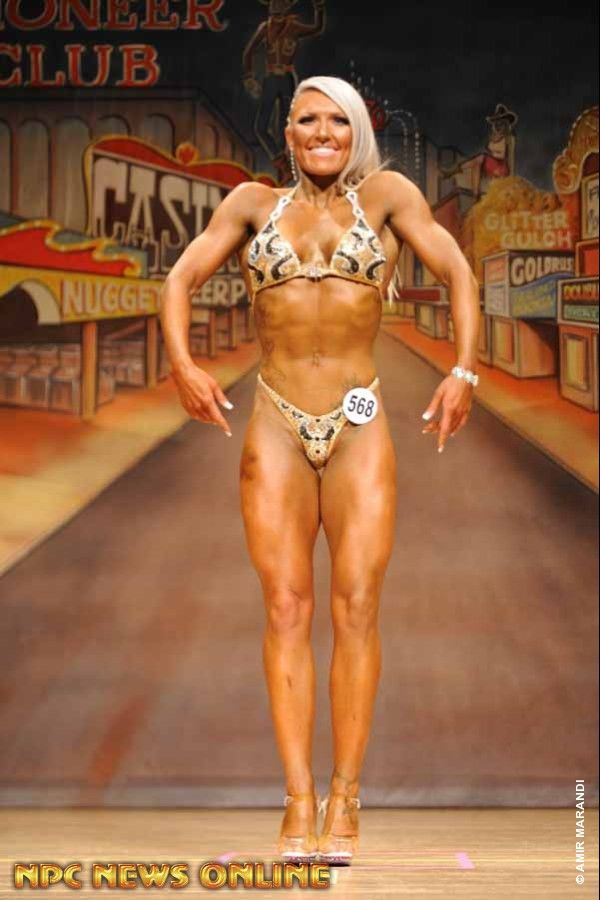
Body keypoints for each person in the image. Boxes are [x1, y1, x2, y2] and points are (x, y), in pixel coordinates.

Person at [160, 75, 480, 866]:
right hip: (275, 419)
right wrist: (183, 365)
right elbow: (179, 278)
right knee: (284, 608)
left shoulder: (389, 198)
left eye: (339, 119)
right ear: (290, 131)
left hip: (358, 421)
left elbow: (458, 272)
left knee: (358, 606)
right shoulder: (250, 204)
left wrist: (463, 370)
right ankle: (298, 799)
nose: (323, 131)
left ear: (357, 131)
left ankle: (347, 796)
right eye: (308, 119)